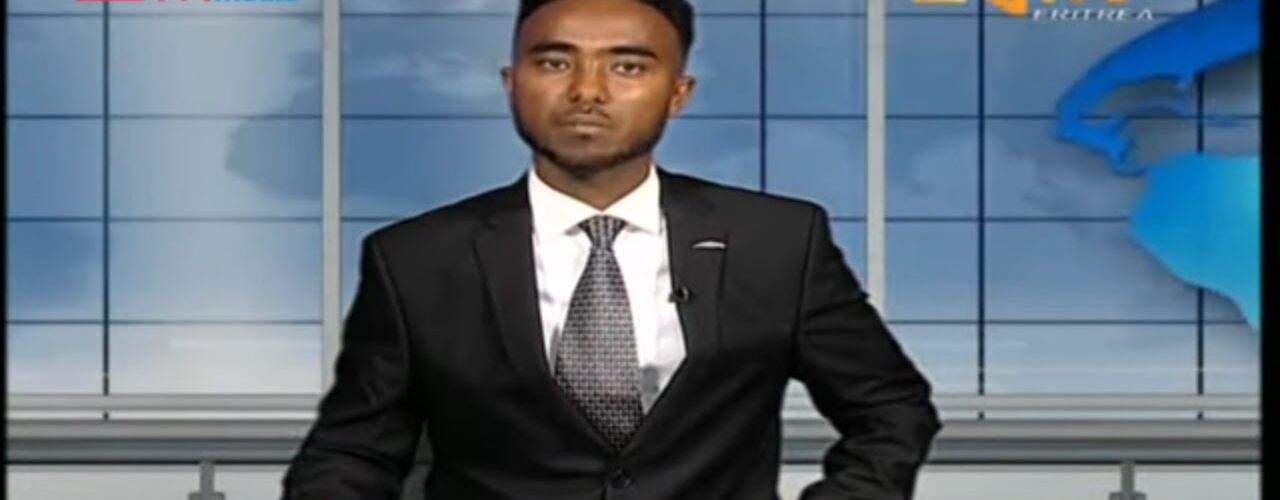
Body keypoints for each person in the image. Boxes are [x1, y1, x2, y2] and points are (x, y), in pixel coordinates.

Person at [282, 0, 941, 498]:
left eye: (627, 66)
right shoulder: (416, 260)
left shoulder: (777, 241)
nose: (587, 92)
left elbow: (890, 407)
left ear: (678, 94)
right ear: (512, 82)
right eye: (555, 62)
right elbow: (352, 453)